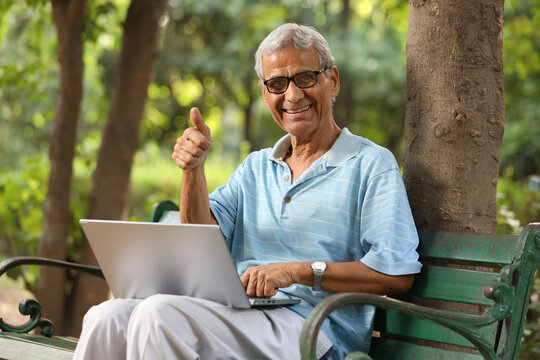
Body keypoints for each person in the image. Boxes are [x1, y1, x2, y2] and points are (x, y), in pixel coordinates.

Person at [73, 23, 422, 359]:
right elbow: (199, 235)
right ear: (264, 94)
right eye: (277, 84)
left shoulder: (371, 164)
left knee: (160, 314)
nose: (293, 95)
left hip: (314, 333)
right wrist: (193, 171)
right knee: (106, 317)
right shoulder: (255, 167)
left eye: (305, 78)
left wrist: (297, 271)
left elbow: (397, 273)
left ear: (333, 81)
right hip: (240, 315)